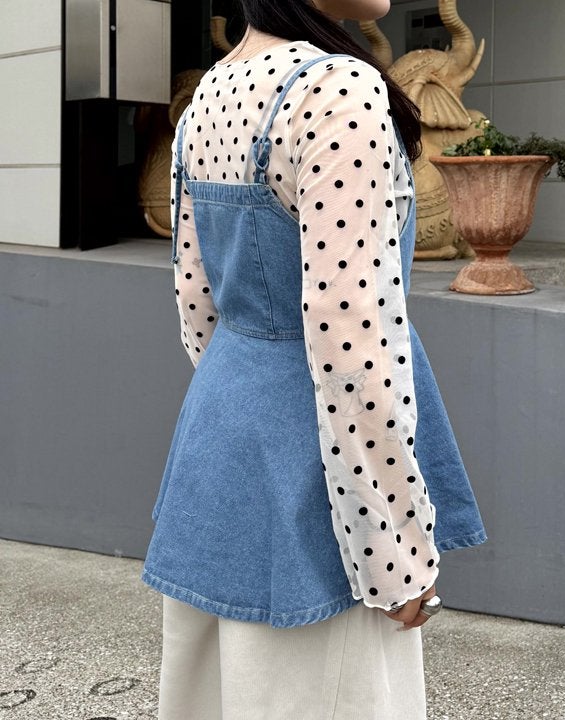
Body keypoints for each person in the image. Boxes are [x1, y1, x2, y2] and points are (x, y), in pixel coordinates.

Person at [142, 1, 486, 718]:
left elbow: (196, 304)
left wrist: (246, 409)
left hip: (220, 445)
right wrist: (393, 555)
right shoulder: (338, 89)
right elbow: (351, 340)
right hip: (327, 477)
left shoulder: (209, 94)